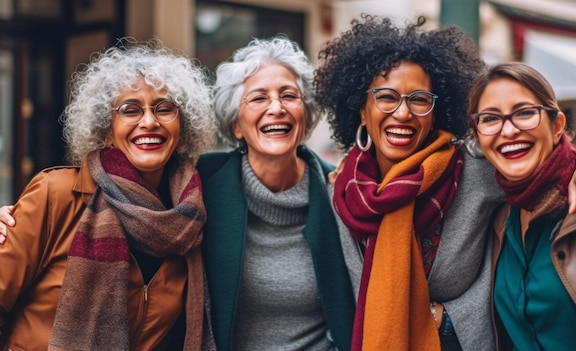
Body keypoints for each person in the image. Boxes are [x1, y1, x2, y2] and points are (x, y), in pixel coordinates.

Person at [313, 14, 576, 351]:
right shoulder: (339, 191)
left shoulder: (472, 172)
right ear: (361, 108)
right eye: (386, 97)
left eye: (419, 99)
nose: (402, 113)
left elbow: (536, 158)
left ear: (435, 112)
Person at [0, 40, 217, 350]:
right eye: (130, 109)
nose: (149, 121)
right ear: (106, 130)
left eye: (164, 108)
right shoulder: (55, 195)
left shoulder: (191, 216)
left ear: (183, 124)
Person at [194, 36, 361, 350]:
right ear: (236, 125)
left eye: (288, 95)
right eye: (258, 98)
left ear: (306, 114)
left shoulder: (339, 190)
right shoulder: (202, 183)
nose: (276, 108)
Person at [467, 61, 576, 351]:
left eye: (525, 113)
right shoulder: (501, 221)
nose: (508, 130)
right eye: (490, 119)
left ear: (557, 127)